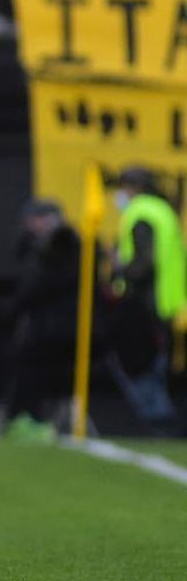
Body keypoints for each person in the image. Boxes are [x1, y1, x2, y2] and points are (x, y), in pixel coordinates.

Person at [108, 166, 185, 424]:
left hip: (145, 301)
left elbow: (144, 261)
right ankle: (161, 415)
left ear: (133, 187)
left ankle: (157, 417)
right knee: (157, 359)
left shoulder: (140, 214)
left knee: (143, 362)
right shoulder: (162, 210)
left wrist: (120, 269)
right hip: (165, 298)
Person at [2, 199, 81, 441]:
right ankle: (23, 420)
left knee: (38, 372)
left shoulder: (66, 245)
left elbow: (41, 285)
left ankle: (33, 419)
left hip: (58, 326)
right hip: (42, 326)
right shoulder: (34, 247)